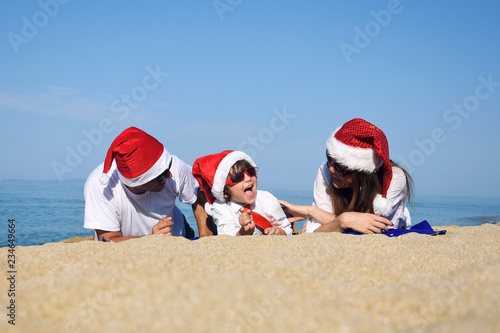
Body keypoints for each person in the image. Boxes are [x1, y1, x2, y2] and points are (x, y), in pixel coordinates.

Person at [280, 118, 414, 234]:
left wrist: (314, 212)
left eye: (340, 167)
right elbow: (315, 230)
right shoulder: (325, 170)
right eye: (329, 159)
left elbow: (368, 227)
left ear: (362, 172)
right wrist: (338, 220)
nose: (332, 169)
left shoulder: (395, 179)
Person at [83, 127, 215, 242]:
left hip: (180, 233)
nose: (170, 175)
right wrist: (151, 239)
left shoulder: (174, 167)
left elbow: (200, 195)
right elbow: (109, 239)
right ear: (139, 182)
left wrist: (206, 238)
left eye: (168, 168)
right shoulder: (100, 186)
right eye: (162, 176)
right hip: (132, 245)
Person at [192, 150, 292, 236]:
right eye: (238, 177)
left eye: (251, 172)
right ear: (224, 193)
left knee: (287, 215)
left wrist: (279, 232)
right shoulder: (221, 208)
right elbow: (226, 236)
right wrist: (243, 232)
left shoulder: (267, 199)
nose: (248, 179)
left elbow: (286, 228)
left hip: (277, 220)